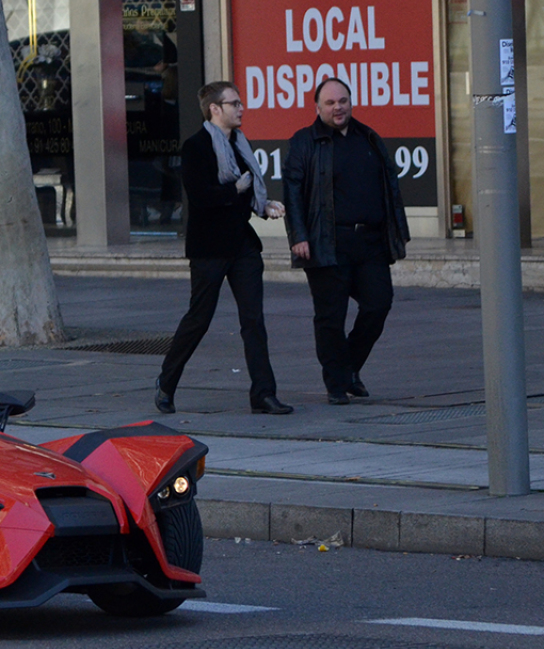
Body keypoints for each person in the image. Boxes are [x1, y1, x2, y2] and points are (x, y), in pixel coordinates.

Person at [155, 81, 292, 416]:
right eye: (233, 104)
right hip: (209, 247)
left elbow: (248, 192)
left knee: (254, 320)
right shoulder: (197, 147)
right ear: (215, 109)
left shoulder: (240, 145)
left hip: (242, 244)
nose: (241, 108)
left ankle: (264, 393)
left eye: (240, 102)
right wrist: (235, 190)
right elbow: (200, 198)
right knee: (199, 318)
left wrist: (263, 204)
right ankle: (166, 382)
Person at [283, 78, 410, 404]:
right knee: (331, 317)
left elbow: (389, 189)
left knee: (378, 304)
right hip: (327, 242)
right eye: (330, 103)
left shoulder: (368, 137)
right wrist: (298, 236)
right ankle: (337, 385)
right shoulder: (304, 142)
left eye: (343, 101)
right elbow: (293, 193)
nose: (338, 107)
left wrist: (394, 232)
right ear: (317, 108)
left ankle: (349, 367)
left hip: (370, 243)